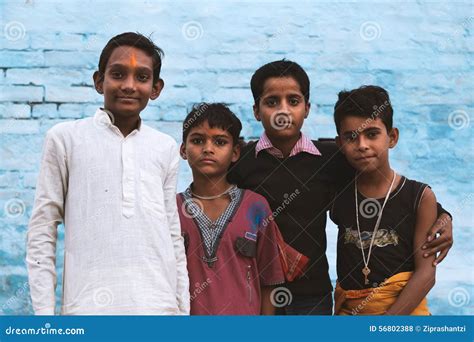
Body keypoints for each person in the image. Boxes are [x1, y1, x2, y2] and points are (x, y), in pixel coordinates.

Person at [228, 59, 453, 315]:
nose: (283, 112)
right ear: (256, 111)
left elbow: (390, 189)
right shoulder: (241, 161)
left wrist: (444, 216)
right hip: (254, 290)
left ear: (307, 108)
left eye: (293, 101)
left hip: (312, 297)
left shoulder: (332, 158)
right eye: (271, 102)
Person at [26, 32, 189, 315]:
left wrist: (181, 308)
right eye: (118, 74)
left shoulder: (164, 147)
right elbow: (43, 229)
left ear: (156, 88)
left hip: (159, 309)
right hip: (87, 309)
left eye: (141, 77)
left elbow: (172, 233)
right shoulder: (65, 139)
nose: (129, 85)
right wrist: (44, 316)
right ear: (99, 81)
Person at [331, 85, 436, 315]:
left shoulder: (418, 196)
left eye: (371, 134)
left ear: (392, 137)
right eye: (351, 137)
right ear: (340, 144)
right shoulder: (338, 193)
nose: (362, 146)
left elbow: (426, 274)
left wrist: (386, 325)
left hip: (404, 316)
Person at [177, 103, 285, 315]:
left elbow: (270, 280)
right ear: (183, 150)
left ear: (235, 152)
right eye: (197, 140)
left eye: (220, 141)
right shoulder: (170, 208)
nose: (208, 148)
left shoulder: (256, 206)